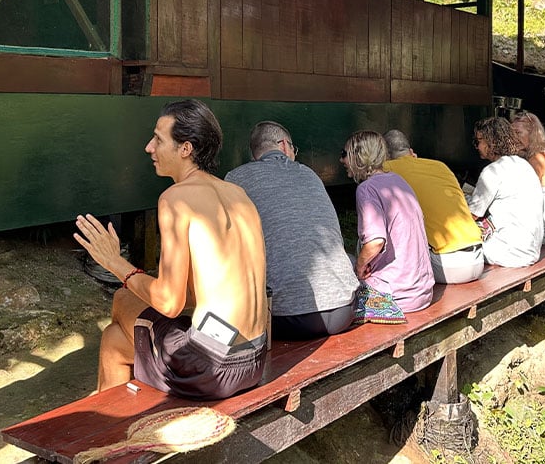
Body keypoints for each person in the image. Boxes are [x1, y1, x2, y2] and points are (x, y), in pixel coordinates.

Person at [74, 100, 269, 400]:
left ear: (186, 149)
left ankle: (109, 430)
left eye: (158, 139)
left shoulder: (176, 199)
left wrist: (114, 262)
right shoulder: (238, 194)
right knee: (114, 341)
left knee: (122, 298)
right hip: (253, 359)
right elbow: (200, 293)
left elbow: (170, 302)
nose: (148, 148)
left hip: (213, 367)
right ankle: (109, 423)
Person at [225, 121, 358, 341]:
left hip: (282, 319)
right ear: (285, 146)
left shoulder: (235, 178)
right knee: (348, 257)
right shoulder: (310, 174)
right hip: (344, 311)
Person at [341, 131, 434, 314]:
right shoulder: (398, 180)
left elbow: (375, 242)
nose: (341, 160)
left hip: (397, 298)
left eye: (344, 154)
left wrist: (359, 267)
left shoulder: (366, 189)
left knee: (343, 271)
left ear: (358, 156)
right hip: (423, 292)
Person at [381, 130, 484, 284]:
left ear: (385, 155)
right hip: (477, 258)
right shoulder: (440, 166)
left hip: (445, 266)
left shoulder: (386, 169)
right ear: (411, 151)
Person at [467, 118, 545, 268]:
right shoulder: (524, 165)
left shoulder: (492, 171)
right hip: (531, 250)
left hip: (508, 252)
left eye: (480, 141)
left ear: (492, 142)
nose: (477, 146)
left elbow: (472, 214)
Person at [510, 112, 545, 243]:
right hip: (544, 225)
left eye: (518, 133)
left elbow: (519, 196)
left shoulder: (539, 159)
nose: (513, 138)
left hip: (540, 229)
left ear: (533, 134)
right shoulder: (544, 154)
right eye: (511, 134)